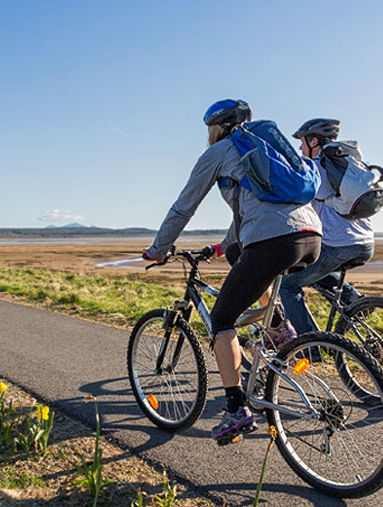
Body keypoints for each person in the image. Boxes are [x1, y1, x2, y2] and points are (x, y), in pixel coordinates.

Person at [143, 99, 322, 442]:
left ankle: (236, 410)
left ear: (216, 127)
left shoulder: (220, 151)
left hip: (275, 240)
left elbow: (184, 206)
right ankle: (278, 329)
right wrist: (220, 248)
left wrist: (159, 249)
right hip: (310, 237)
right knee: (240, 254)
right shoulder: (267, 149)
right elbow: (248, 214)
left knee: (223, 319)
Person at [279, 119, 375, 338]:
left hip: (339, 243)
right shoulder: (347, 164)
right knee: (312, 269)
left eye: (303, 142)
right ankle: (354, 300)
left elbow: (298, 201)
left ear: (314, 141)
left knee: (288, 286)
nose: (300, 148)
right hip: (365, 242)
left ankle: (311, 345)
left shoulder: (318, 167)